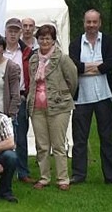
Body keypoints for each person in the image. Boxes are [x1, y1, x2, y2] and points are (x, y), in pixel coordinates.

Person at [69, 10, 112, 185]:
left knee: (107, 137)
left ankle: (111, 175)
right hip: (82, 98)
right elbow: (75, 67)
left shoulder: (109, 41)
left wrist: (89, 68)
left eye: (94, 22)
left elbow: (110, 64)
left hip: (104, 97)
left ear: (100, 23)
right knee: (79, 139)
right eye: (88, 22)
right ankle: (78, 175)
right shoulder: (76, 44)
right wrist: (95, 66)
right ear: (83, 23)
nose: (91, 25)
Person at [27, 24, 78, 191]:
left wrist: (61, 95)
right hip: (37, 107)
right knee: (42, 145)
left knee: (58, 144)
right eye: (41, 38)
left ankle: (63, 179)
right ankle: (44, 177)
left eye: (48, 38)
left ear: (53, 40)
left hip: (59, 107)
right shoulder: (33, 59)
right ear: (37, 40)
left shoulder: (62, 58)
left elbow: (72, 80)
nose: (44, 41)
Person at [4, 18, 35, 183]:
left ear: (20, 33)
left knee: (21, 136)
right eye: (10, 31)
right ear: (5, 32)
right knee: (0, 136)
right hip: (1, 98)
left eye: (16, 31)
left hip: (21, 97)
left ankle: (23, 172)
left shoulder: (27, 53)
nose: (13, 34)